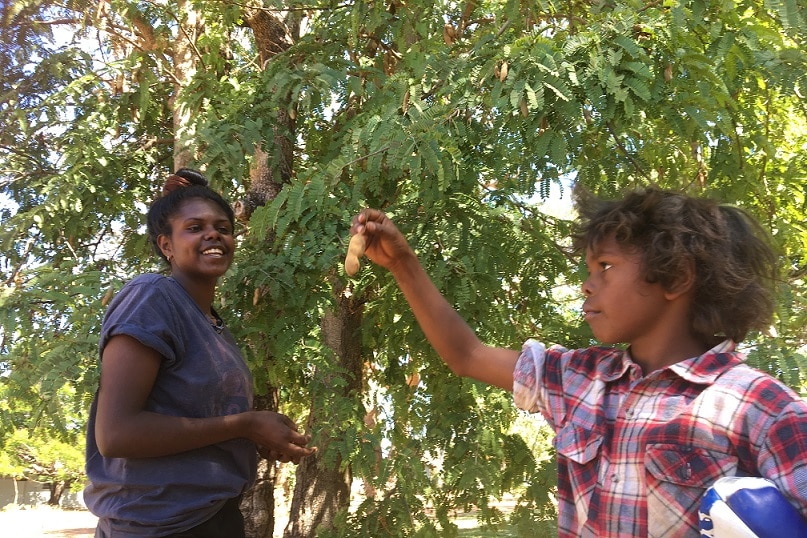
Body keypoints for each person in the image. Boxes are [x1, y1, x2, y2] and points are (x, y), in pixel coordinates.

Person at [348, 188, 807, 537]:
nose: (588, 285)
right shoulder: (580, 380)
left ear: (676, 276)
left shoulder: (761, 408)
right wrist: (403, 263)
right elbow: (466, 355)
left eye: (604, 266)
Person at [84, 168, 315, 538]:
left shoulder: (213, 325)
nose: (213, 234)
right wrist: (246, 424)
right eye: (194, 227)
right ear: (166, 246)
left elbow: (197, 428)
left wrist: (256, 437)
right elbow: (116, 434)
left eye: (223, 227)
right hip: (156, 527)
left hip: (212, 518)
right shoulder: (152, 296)